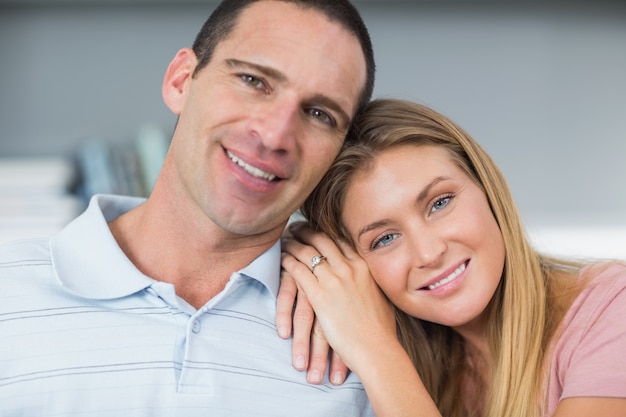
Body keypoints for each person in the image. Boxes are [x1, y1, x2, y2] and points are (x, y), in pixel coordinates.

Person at [0, 1, 377, 415]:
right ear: (181, 81)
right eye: (253, 80)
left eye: (320, 114)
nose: (274, 135)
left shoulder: (362, 344)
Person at [279, 98, 626, 417]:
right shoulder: (422, 361)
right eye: (385, 239)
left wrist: (375, 351)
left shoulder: (613, 309)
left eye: (440, 203)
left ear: (486, 187)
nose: (429, 253)